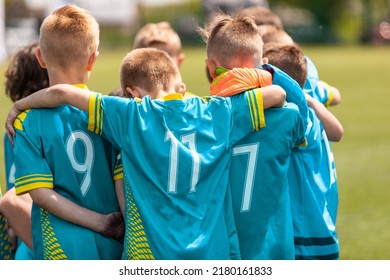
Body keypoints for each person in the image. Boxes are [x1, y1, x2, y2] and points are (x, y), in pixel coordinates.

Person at [6, 47, 287, 260]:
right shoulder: (214, 112)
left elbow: (63, 94)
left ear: (132, 93)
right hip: (211, 253)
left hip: (149, 256)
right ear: (181, 88)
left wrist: (20, 106)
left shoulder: (132, 116)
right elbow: (277, 95)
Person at [6, 4, 124, 260]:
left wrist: (99, 222)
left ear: (40, 57)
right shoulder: (110, 112)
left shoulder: (26, 122)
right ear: (93, 58)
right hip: (113, 248)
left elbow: (42, 196)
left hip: (60, 250)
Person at [199, 12, 307, 259]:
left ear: (210, 67)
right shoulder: (287, 118)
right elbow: (303, 112)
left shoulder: (204, 115)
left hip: (222, 245)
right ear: (262, 65)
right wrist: (271, 75)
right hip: (274, 248)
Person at [263, 42, 343, 259]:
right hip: (322, 222)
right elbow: (338, 132)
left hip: (305, 233)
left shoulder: (295, 118)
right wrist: (315, 103)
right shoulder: (310, 108)